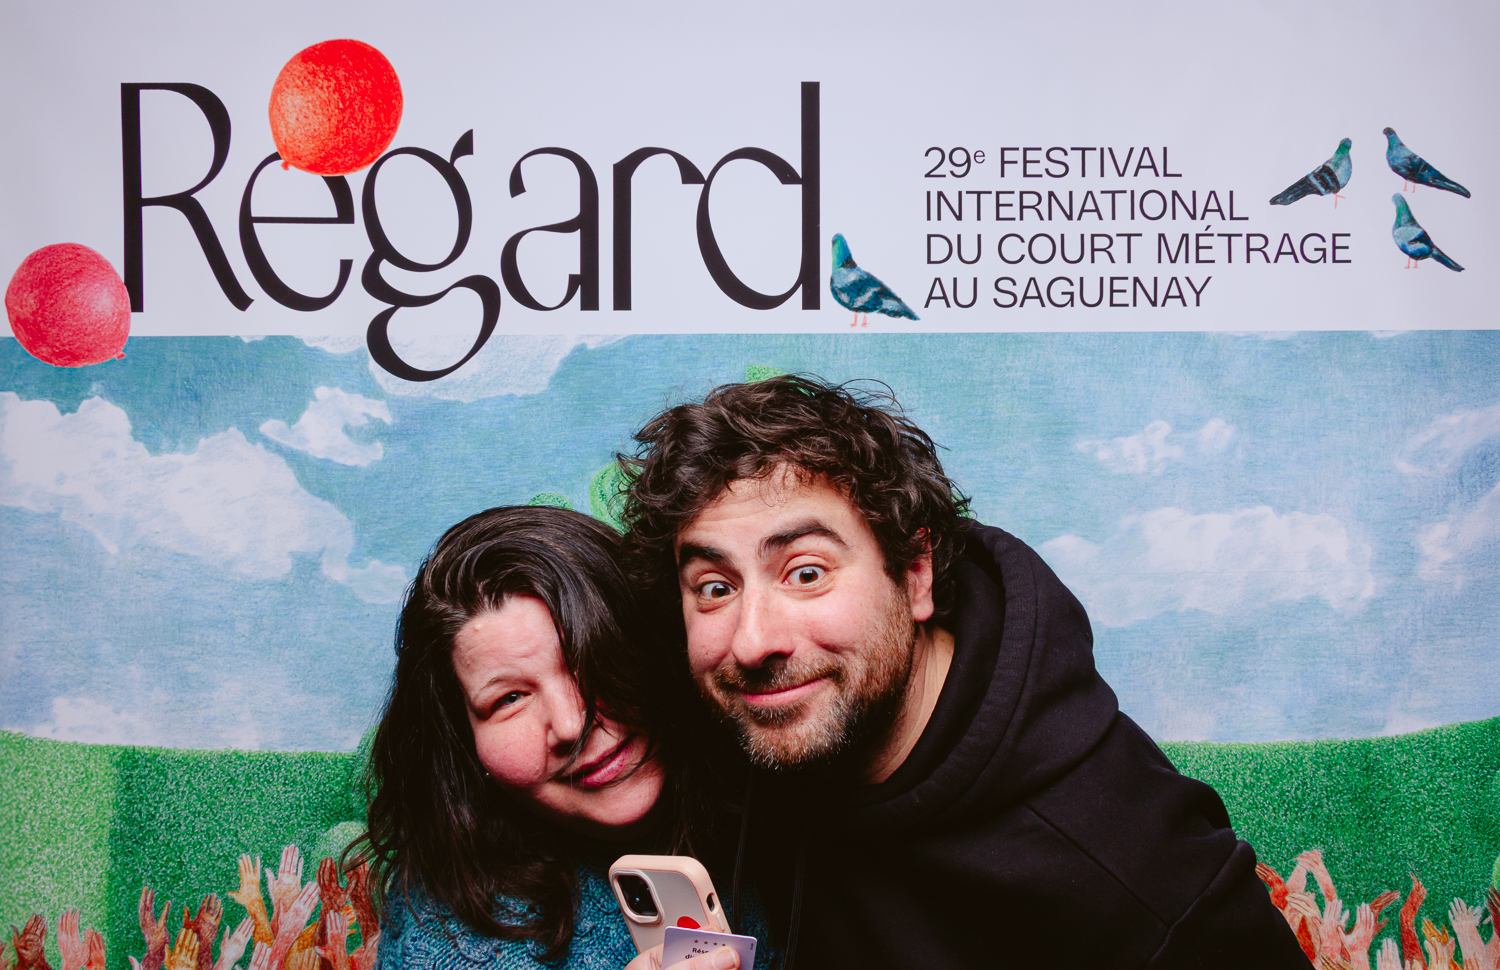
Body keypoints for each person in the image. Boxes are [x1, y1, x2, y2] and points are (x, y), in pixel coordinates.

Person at [618, 376, 1314, 969]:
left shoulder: (1137, 886)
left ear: (915, 574)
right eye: (715, 587)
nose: (753, 641)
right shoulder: (755, 743)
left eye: (806, 573)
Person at [359, 506, 763, 970]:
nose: (571, 725)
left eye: (590, 658)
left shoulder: (791, 797)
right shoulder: (444, 947)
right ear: (463, 743)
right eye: (509, 699)